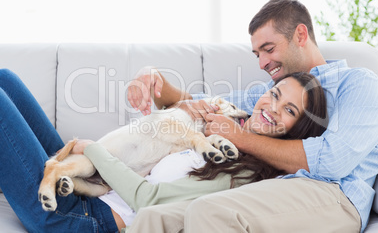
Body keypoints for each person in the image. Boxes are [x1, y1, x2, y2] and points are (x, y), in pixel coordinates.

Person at [126, 0, 378, 233]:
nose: (263, 63)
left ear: (300, 35)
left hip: (336, 197)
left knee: (208, 211)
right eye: (257, 54)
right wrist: (153, 78)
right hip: (275, 189)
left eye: (269, 49)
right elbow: (197, 104)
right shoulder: (269, 93)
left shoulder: (357, 83)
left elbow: (333, 160)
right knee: (153, 219)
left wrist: (239, 137)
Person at [0, 68, 326, 232]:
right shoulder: (226, 128)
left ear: (295, 131)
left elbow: (148, 201)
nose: (272, 107)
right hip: (85, 181)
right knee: (6, 79)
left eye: (289, 111)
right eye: (277, 93)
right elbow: (167, 122)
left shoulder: (244, 173)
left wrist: (94, 151)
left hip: (82, 217)